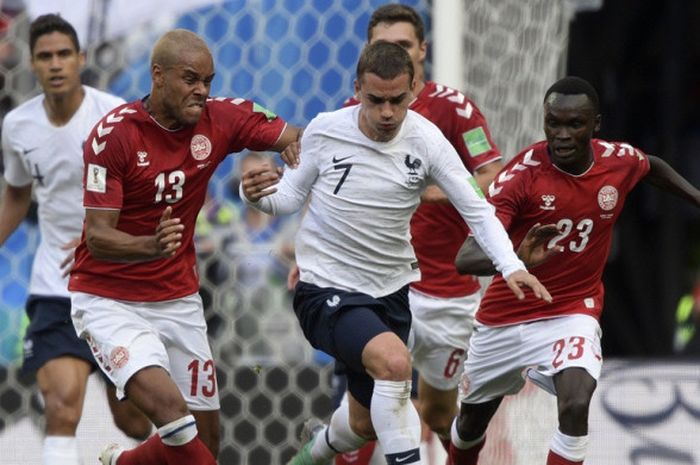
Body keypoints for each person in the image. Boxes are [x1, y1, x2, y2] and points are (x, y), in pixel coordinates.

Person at [240, 40, 550, 465]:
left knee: (363, 425)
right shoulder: (325, 130)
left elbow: (476, 209)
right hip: (325, 290)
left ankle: (311, 454)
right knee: (394, 362)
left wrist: (511, 265)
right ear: (357, 90)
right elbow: (288, 198)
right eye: (375, 100)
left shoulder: (427, 141)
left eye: (397, 101)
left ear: (413, 93)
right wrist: (255, 195)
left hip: (390, 294)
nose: (387, 112)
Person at [66, 28, 302, 465]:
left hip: (178, 299)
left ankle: (123, 462)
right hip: (109, 301)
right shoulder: (113, 136)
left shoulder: (222, 118)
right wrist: (149, 245)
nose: (201, 91)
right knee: (174, 417)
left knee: (204, 441)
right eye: (191, 79)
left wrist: (283, 172)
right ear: (157, 76)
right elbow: (98, 236)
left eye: (208, 81)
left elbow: (299, 137)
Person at [449, 76, 700, 465]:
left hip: (571, 311)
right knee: (470, 426)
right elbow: (465, 259)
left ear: (595, 124)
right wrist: (517, 258)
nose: (562, 135)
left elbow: (653, 167)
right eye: (553, 123)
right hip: (505, 316)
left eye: (574, 124)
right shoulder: (521, 177)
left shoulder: (617, 161)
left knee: (576, 401)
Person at [0, 14, 151, 465]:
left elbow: (145, 194)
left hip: (117, 284)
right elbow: (17, 192)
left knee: (136, 421)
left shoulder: (115, 116)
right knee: (62, 405)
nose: (56, 64)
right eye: (45, 56)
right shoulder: (18, 127)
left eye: (64, 54)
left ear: (81, 59)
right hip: (56, 287)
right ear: (32, 63)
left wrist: (98, 237)